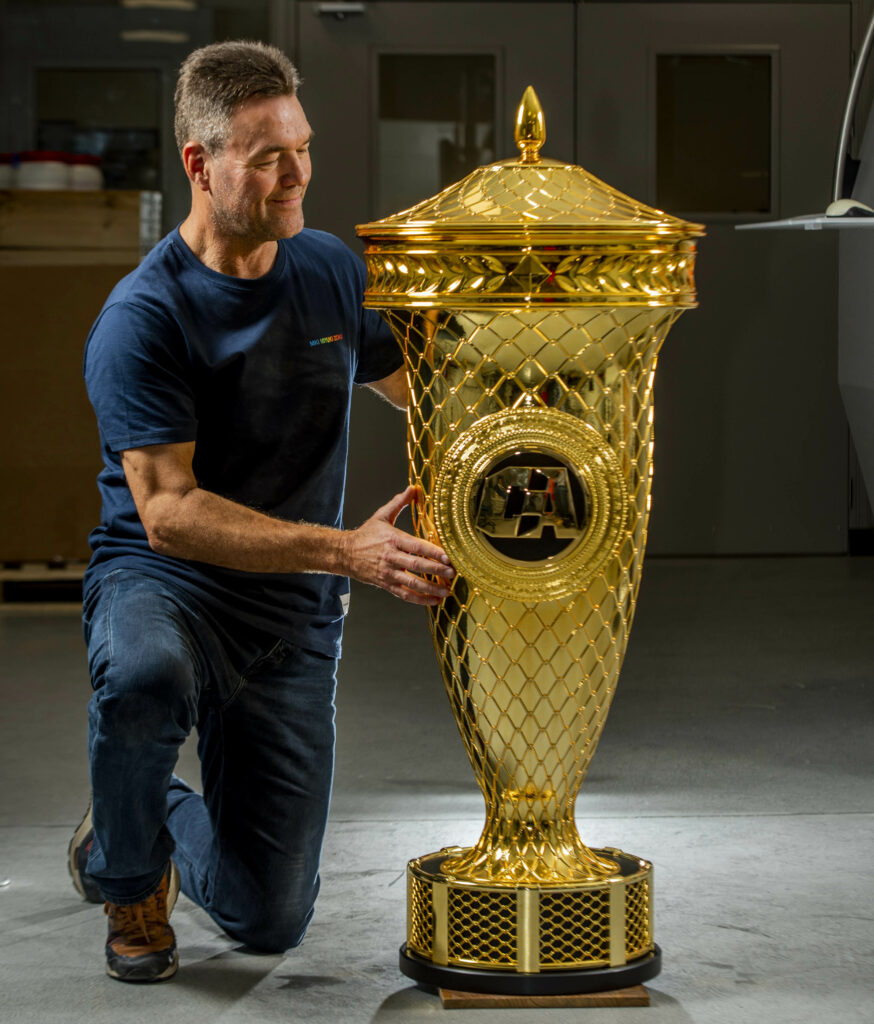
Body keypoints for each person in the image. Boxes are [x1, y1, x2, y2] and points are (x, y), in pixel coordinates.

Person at [67, 39, 454, 984]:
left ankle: (144, 807)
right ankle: (125, 878)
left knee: (268, 918)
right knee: (145, 679)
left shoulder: (326, 271)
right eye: (269, 153)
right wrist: (346, 552)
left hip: (289, 614)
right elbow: (169, 511)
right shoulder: (142, 316)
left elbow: (422, 392)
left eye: (303, 145)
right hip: (167, 585)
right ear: (200, 163)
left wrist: (511, 382)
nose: (298, 173)